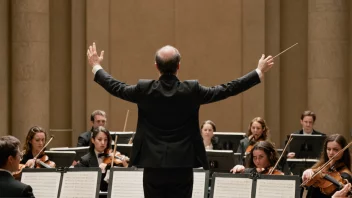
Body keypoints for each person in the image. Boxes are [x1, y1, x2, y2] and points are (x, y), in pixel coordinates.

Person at [87, 42, 274, 197]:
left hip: (153, 165)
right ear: (178, 66)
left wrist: (96, 66)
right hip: (183, 164)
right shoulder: (191, 90)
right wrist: (257, 72)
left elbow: (116, 87)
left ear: (156, 66)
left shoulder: (145, 89)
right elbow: (226, 89)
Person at [74, 126, 128, 193]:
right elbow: (83, 185)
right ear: (93, 140)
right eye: (99, 139)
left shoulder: (113, 157)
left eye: (105, 140)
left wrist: (126, 166)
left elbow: (123, 182)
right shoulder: (84, 161)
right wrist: (98, 170)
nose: (103, 143)